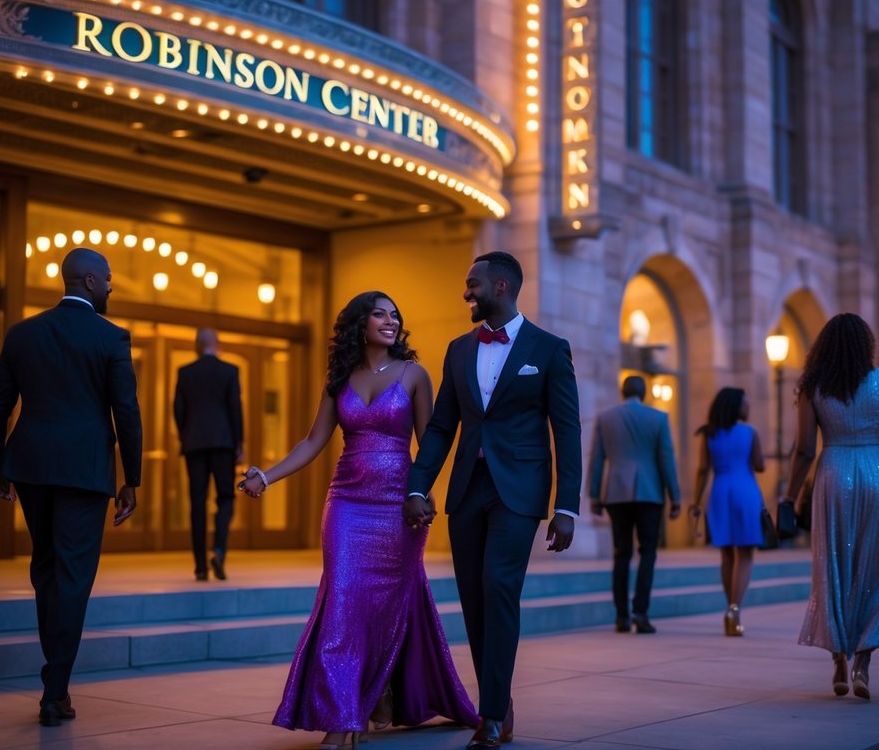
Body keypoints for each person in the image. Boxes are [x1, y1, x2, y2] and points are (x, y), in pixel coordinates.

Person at [239, 291, 476, 750]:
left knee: (391, 606)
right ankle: (343, 715)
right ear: (358, 323)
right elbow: (312, 443)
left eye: (395, 316)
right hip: (346, 504)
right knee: (344, 604)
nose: (390, 322)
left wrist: (422, 493)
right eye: (379, 314)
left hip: (399, 509)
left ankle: (382, 689)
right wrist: (266, 476)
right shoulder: (339, 379)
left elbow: (431, 445)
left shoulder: (414, 375)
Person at [404, 251, 582, 750]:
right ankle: (499, 702)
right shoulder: (458, 349)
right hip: (467, 491)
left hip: (519, 493)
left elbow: (566, 429)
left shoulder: (549, 348)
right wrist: (419, 485)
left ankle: (492, 718)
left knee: (499, 588)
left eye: (473, 284)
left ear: (500, 286)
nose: (467, 293)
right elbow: (441, 427)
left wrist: (566, 506)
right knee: (474, 600)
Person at [0, 248, 142, 728]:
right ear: (91, 281)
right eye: (109, 279)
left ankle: (55, 682)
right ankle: (55, 692)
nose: (112, 287)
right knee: (73, 577)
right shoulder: (111, 337)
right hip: (85, 470)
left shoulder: (23, 333)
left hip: (30, 465)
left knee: (47, 569)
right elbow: (126, 411)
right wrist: (131, 479)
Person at [784, 313, 879, 700]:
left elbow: (803, 450)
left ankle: (837, 661)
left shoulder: (813, 386)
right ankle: (862, 666)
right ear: (866, 345)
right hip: (877, 478)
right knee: (875, 571)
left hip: (833, 475)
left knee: (833, 569)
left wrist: (789, 495)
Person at [589, 375, 680, 635]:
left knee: (621, 553)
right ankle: (641, 612)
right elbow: (666, 459)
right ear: (645, 392)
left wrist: (594, 494)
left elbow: (597, 459)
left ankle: (621, 616)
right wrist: (675, 496)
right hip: (650, 493)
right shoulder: (658, 418)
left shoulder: (606, 417)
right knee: (648, 553)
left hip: (617, 492)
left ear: (622, 391)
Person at [689, 387, 766, 637]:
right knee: (745, 554)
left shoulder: (709, 434)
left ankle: (729, 608)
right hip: (745, 490)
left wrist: (696, 502)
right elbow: (760, 465)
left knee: (726, 555)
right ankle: (735, 608)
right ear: (736, 407)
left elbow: (703, 470)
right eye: (745, 403)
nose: (748, 407)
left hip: (720, 492)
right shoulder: (750, 432)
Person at [173, 327, 243, 581]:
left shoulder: (185, 373)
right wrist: (239, 443)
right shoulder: (229, 371)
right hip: (223, 444)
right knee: (225, 497)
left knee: (197, 503)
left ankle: (200, 566)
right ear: (217, 343)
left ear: (196, 345)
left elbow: (178, 411)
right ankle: (219, 549)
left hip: (194, 445)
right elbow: (235, 408)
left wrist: (186, 435)